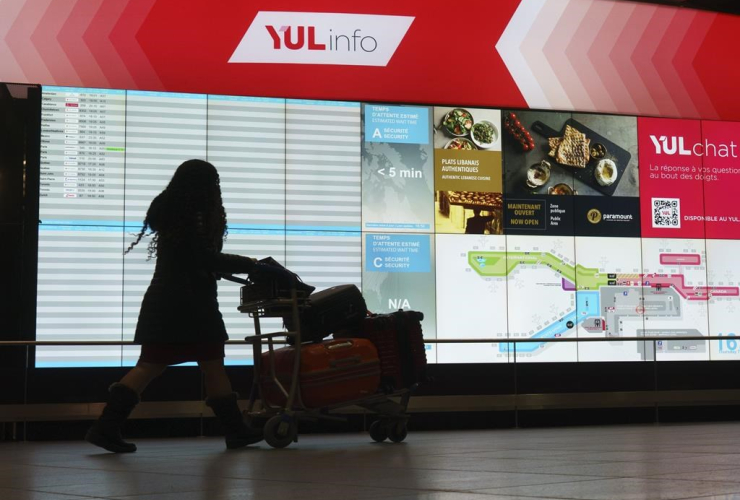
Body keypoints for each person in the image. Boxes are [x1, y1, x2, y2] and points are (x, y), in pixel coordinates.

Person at [85, 159, 290, 453]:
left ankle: (106, 427)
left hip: (165, 302)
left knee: (165, 364)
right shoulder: (196, 215)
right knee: (205, 364)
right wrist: (252, 265)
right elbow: (204, 258)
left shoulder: (172, 213)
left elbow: (194, 258)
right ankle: (234, 431)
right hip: (191, 304)